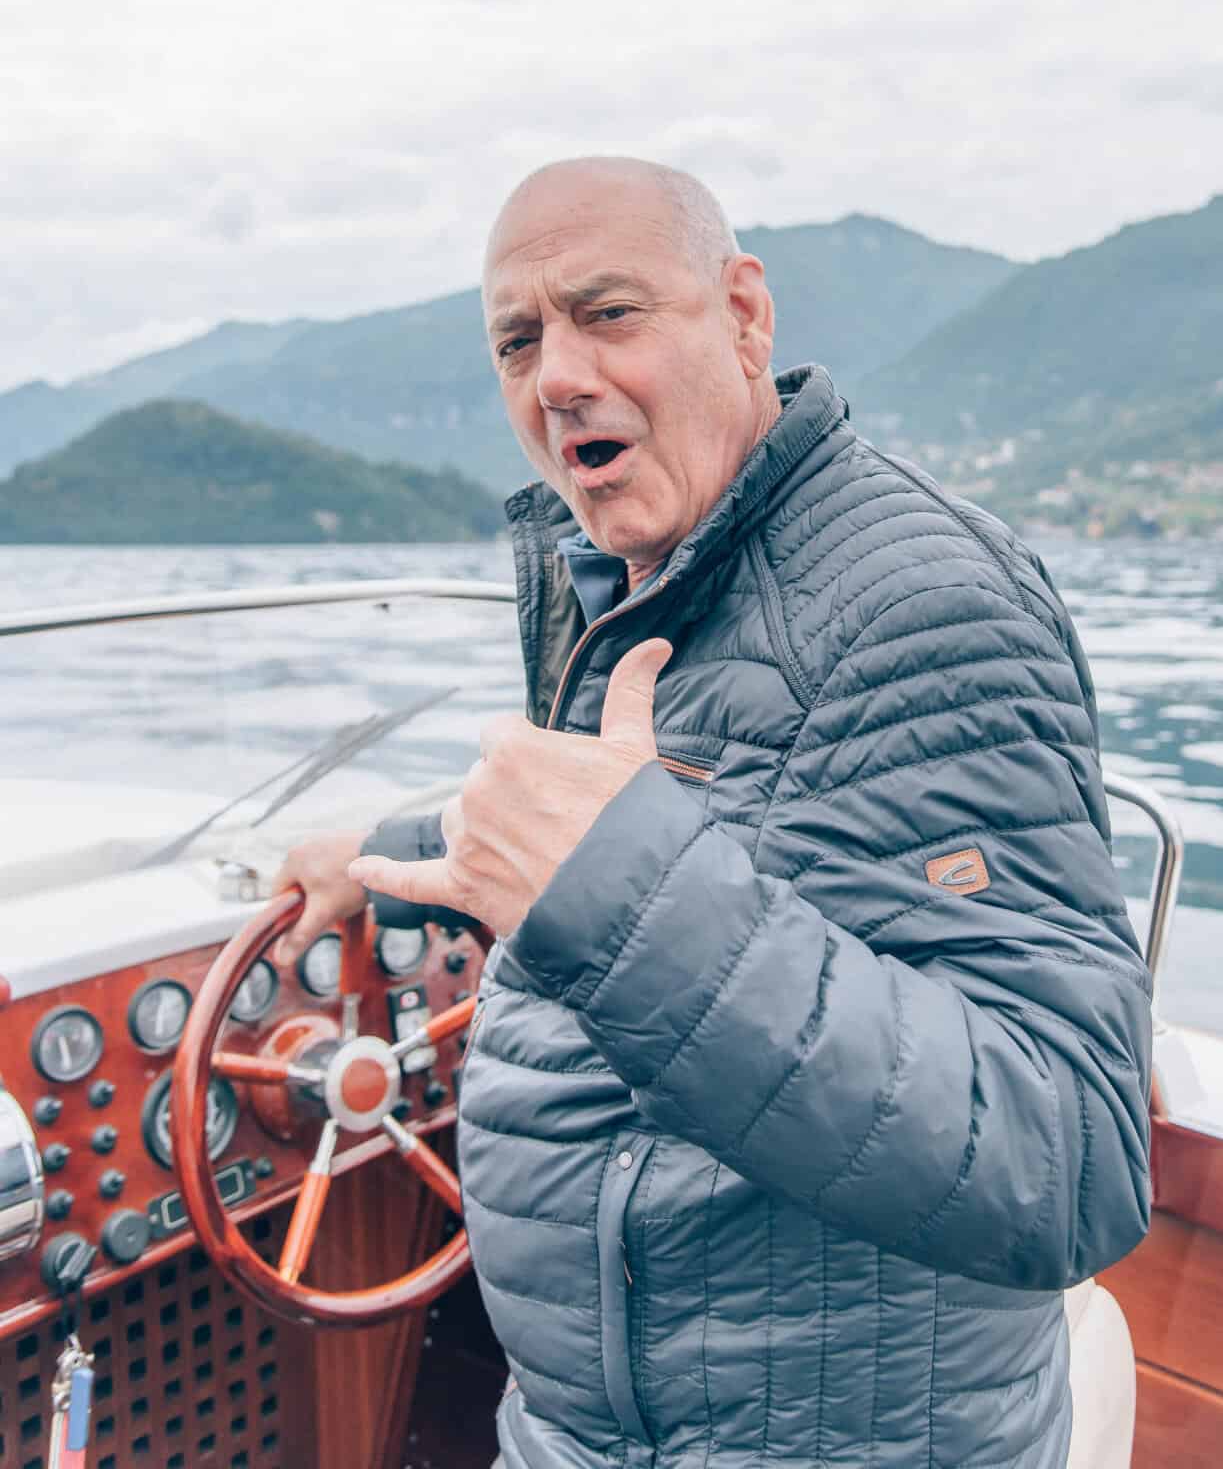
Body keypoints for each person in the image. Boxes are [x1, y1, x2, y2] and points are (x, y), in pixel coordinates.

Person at [275, 156, 1152, 1469]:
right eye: (518, 341)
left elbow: (1068, 1156)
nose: (555, 376)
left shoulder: (923, 606)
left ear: (744, 315)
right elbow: (673, 825)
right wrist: (384, 856)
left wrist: (614, 890)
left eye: (608, 313)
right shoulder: (653, 576)